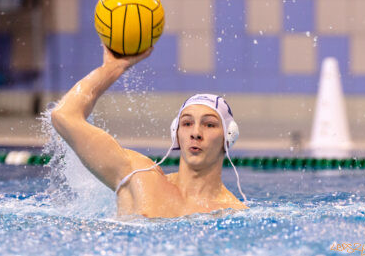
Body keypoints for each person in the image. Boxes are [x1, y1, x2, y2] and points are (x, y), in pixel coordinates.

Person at [51, 45, 249, 218]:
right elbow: (64, 116)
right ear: (176, 134)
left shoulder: (232, 212)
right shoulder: (137, 176)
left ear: (228, 136)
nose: (196, 133)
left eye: (209, 124)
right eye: (187, 123)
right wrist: (113, 68)